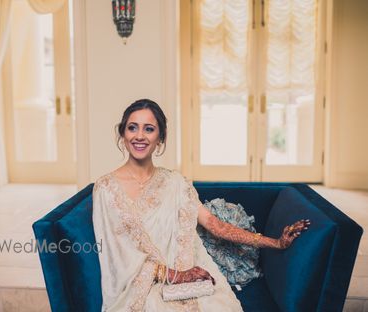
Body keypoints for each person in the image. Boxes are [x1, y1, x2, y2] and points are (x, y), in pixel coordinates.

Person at [92, 99, 310, 311]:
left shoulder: (175, 183)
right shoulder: (106, 188)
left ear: (160, 138)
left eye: (149, 129)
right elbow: (116, 253)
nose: (139, 136)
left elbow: (215, 225)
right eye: (132, 128)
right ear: (122, 133)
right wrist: (176, 276)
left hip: (188, 276)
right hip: (142, 287)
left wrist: (276, 243)